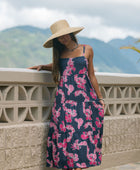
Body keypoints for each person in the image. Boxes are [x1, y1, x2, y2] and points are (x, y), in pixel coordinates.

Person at [28, 19, 105, 170]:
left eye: (65, 35)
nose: (64, 38)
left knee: (82, 135)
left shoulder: (87, 49)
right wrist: (43, 66)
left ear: (71, 34)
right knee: (69, 137)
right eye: (60, 37)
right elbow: (60, 66)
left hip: (84, 100)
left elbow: (92, 75)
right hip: (65, 101)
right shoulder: (60, 53)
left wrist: (100, 97)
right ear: (57, 39)